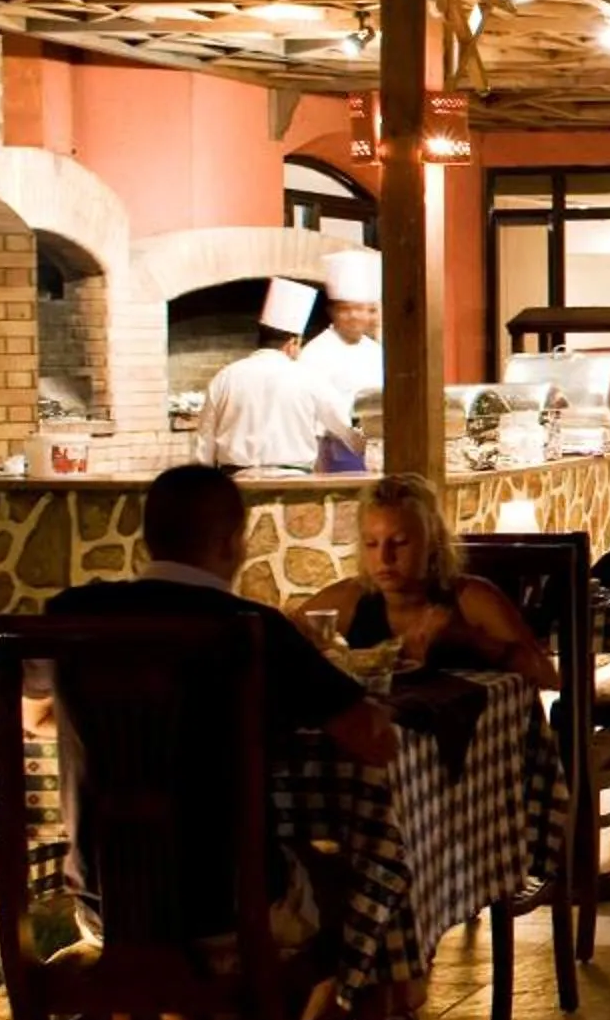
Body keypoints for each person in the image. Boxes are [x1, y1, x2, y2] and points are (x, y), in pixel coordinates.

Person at [43, 464, 399, 1020]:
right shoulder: (250, 632)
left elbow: (30, 715)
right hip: (230, 910)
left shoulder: (72, 614)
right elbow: (371, 741)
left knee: (156, 888)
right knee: (384, 895)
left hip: (105, 910)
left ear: (149, 536)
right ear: (235, 542)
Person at [297, 474, 560, 693]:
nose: (384, 558)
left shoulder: (470, 599)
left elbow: (548, 676)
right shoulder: (350, 599)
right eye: (371, 544)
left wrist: (470, 640)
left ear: (432, 542)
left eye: (399, 542)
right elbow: (277, 637)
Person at [198, 279, 360, 476]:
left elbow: (204, 444)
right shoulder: (308, 377)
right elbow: (344, 426)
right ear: (293, 342)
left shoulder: (225, 377)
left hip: (237, 484)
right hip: (295, 485)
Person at [294, 249, 383, 473]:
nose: (354, 316)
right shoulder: (315, 353)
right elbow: (320, 410)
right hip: (333, 451)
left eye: (360, 309)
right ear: (332, 312)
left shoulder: (376, 351)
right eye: (346, 309)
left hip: (378, 447)